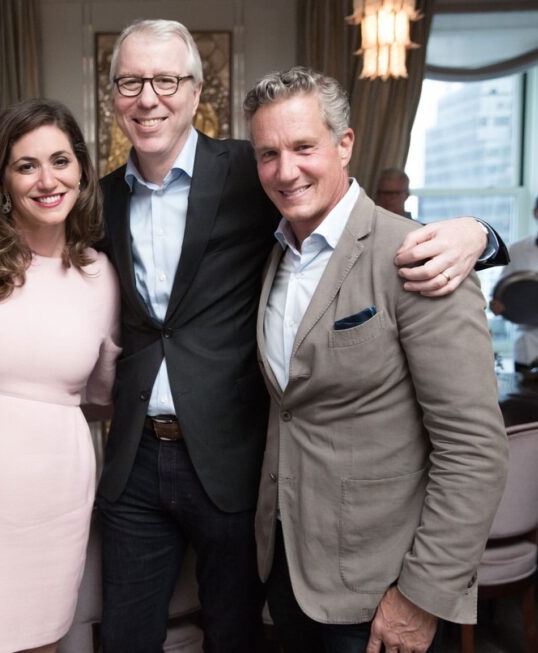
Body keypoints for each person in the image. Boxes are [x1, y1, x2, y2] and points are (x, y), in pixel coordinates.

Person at [96, 18, 508, 652]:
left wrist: (480, 233)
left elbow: (473, 446)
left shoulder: (270, 183)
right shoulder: (117, 206)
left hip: (305, 519)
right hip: (203, 502)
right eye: (131, 81)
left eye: (167, 79)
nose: (285, 170)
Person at [246, 66, 508, 653]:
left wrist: (422, 595)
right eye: (268, 154)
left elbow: (474, 449)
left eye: (303, 147)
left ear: (344, 144)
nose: (285, 171)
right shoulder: (274, 253)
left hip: (385, 589)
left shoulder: (417, 253)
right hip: (288, 574)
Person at [0, 98, 120, 653]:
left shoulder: (99, 274)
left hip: (57, 493)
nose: (47, 180)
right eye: (26, 165)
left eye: (60, 161)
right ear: (2, 179)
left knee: (43, 638)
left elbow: (103, 397)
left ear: (81, 169)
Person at [491, 195, 538, 370]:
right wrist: (497, 304)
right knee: (523, 396)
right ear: (535, 213)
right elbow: (502, 291)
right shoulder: (517, 249)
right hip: (527, 347)